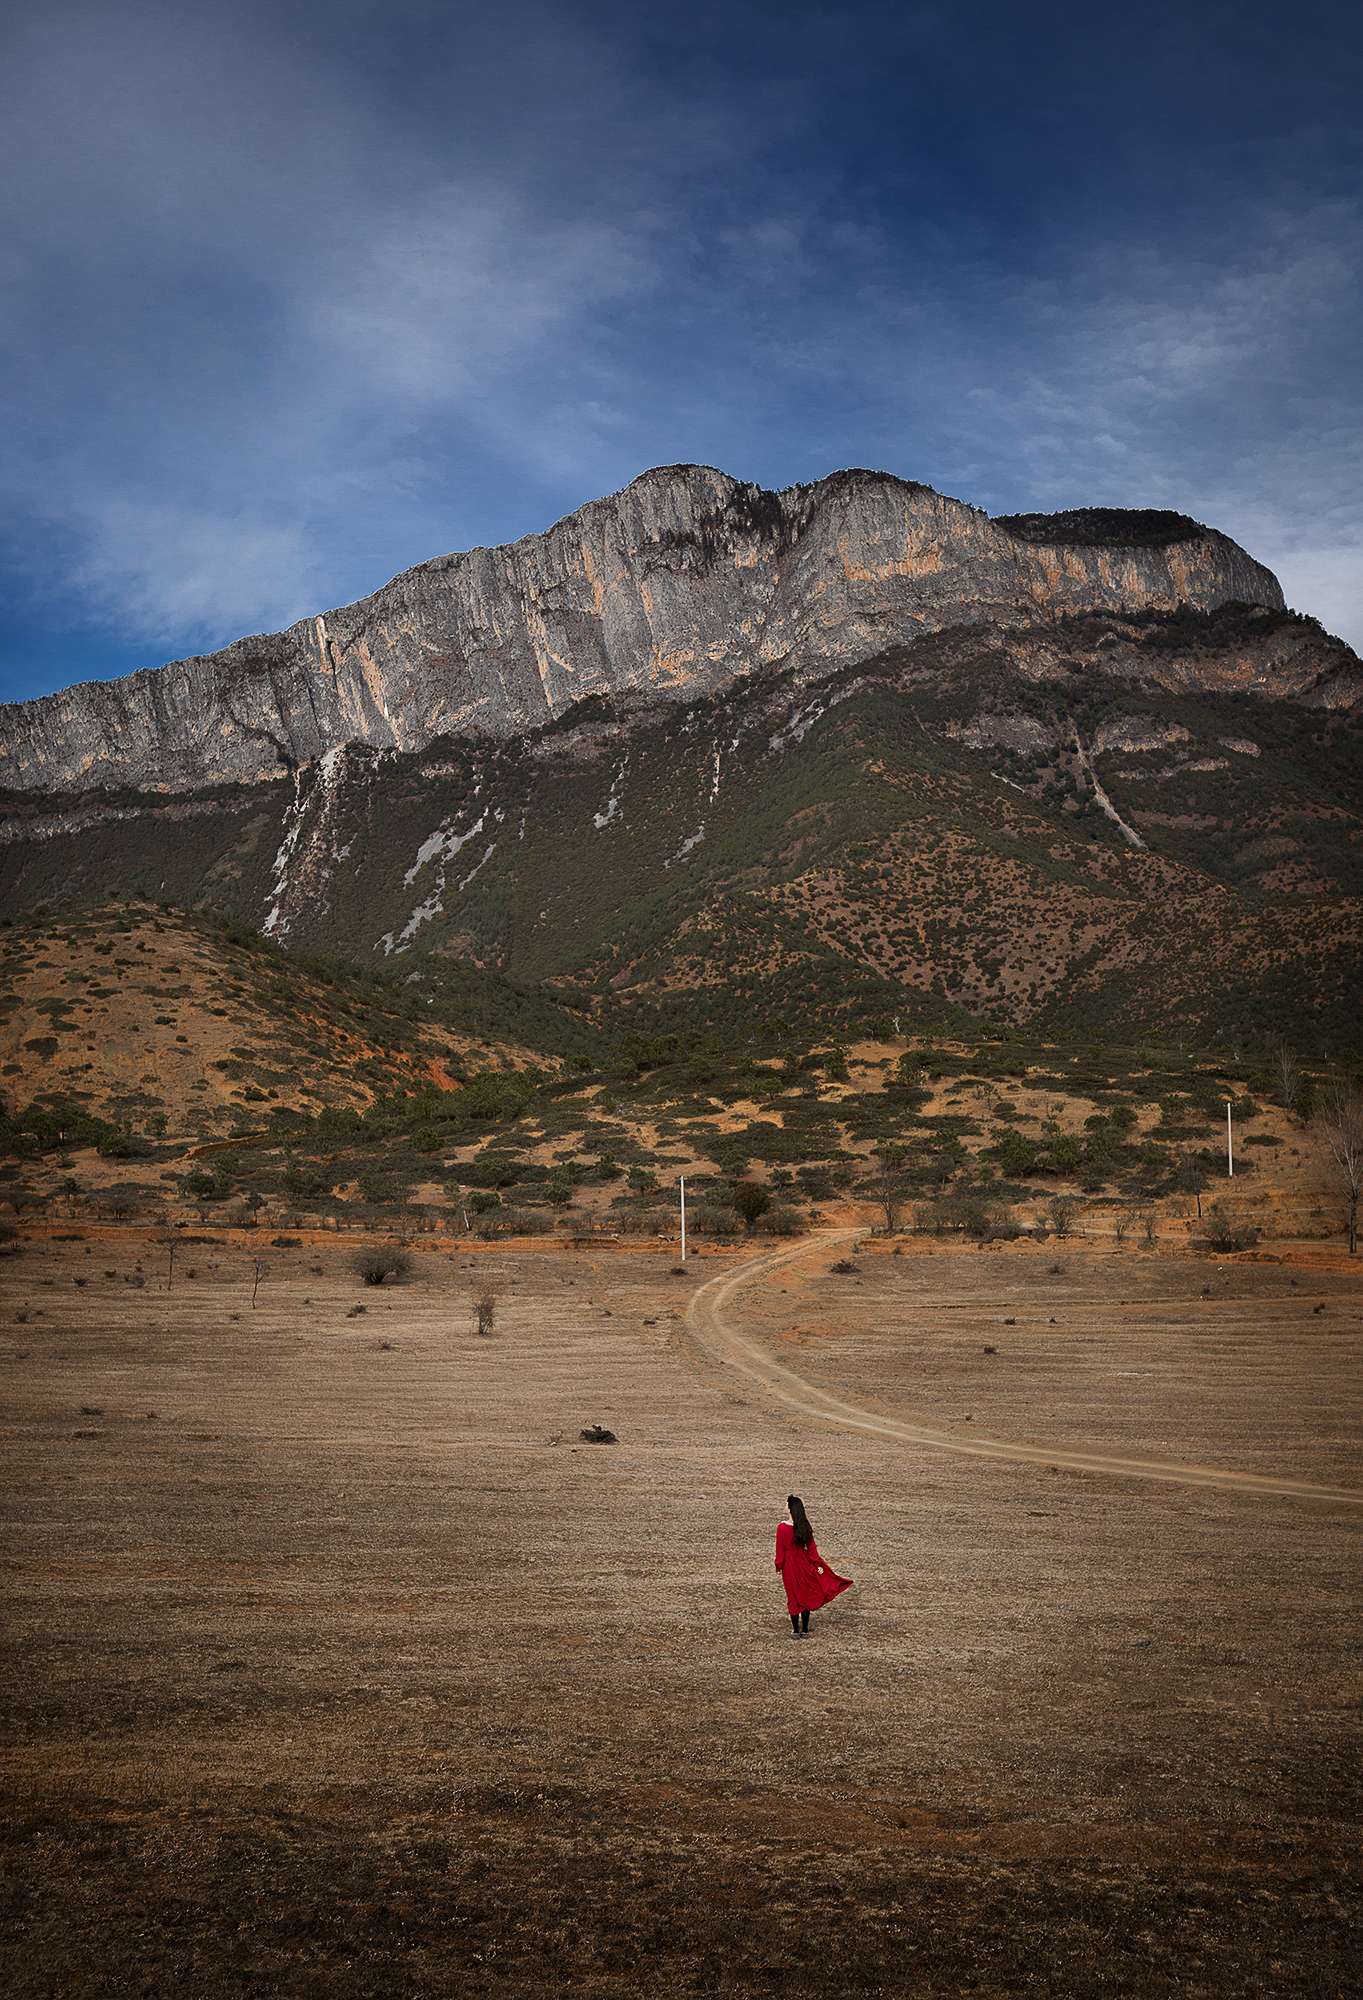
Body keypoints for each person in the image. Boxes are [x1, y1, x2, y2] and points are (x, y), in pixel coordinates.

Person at [775, 1494, 852, 1637]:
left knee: (792, 1595)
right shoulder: (804, 1526)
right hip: (804, 1563)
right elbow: (812, 1549)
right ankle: (804, 1630)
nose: (784, 1506)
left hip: (790, 1565)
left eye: (786, 1504)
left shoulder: (781, 1528)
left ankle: (795, 1630)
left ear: (791, 1509)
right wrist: (817, 1564)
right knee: (805, 1594)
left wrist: (778, 1565)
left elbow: (780, 1549)